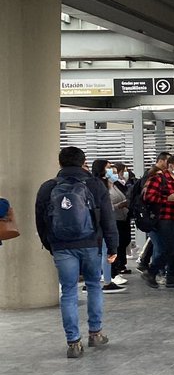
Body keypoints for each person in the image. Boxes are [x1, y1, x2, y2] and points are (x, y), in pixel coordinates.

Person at [35, 147, 119, 358]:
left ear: (60, 162)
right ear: (83, 162)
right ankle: (95, 333)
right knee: (94, 286)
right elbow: (108, 218)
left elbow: (40, 221)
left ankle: (73, 343)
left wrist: (50, 244)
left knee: (69, 292)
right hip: (91, 243)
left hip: (62, 246)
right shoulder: (95, 184)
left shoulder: (48, 187)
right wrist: (113, 246)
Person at [141, 154, 174, 288]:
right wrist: (166, 199)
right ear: (170, 165)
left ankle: (172, 277)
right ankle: (152, 271)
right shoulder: (158, 178)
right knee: (169, 248)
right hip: (163, 218)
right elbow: (147, 197)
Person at [89, 159, 126, 293]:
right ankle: (106, 281)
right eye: (109, 168)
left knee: (103, 253)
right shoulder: (98, 185)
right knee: (105, 252)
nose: (112, 171)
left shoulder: (107, 183)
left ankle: (103, 280)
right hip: (102, 223)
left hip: (103, 221)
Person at [110, 162, 133, 276]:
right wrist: (120, 205)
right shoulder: (107, 188)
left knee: (124, 241)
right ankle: (116, 268)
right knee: (118, 243)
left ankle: (121, 264)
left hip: (123, 217)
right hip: (115, 219)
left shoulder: (117, 185)